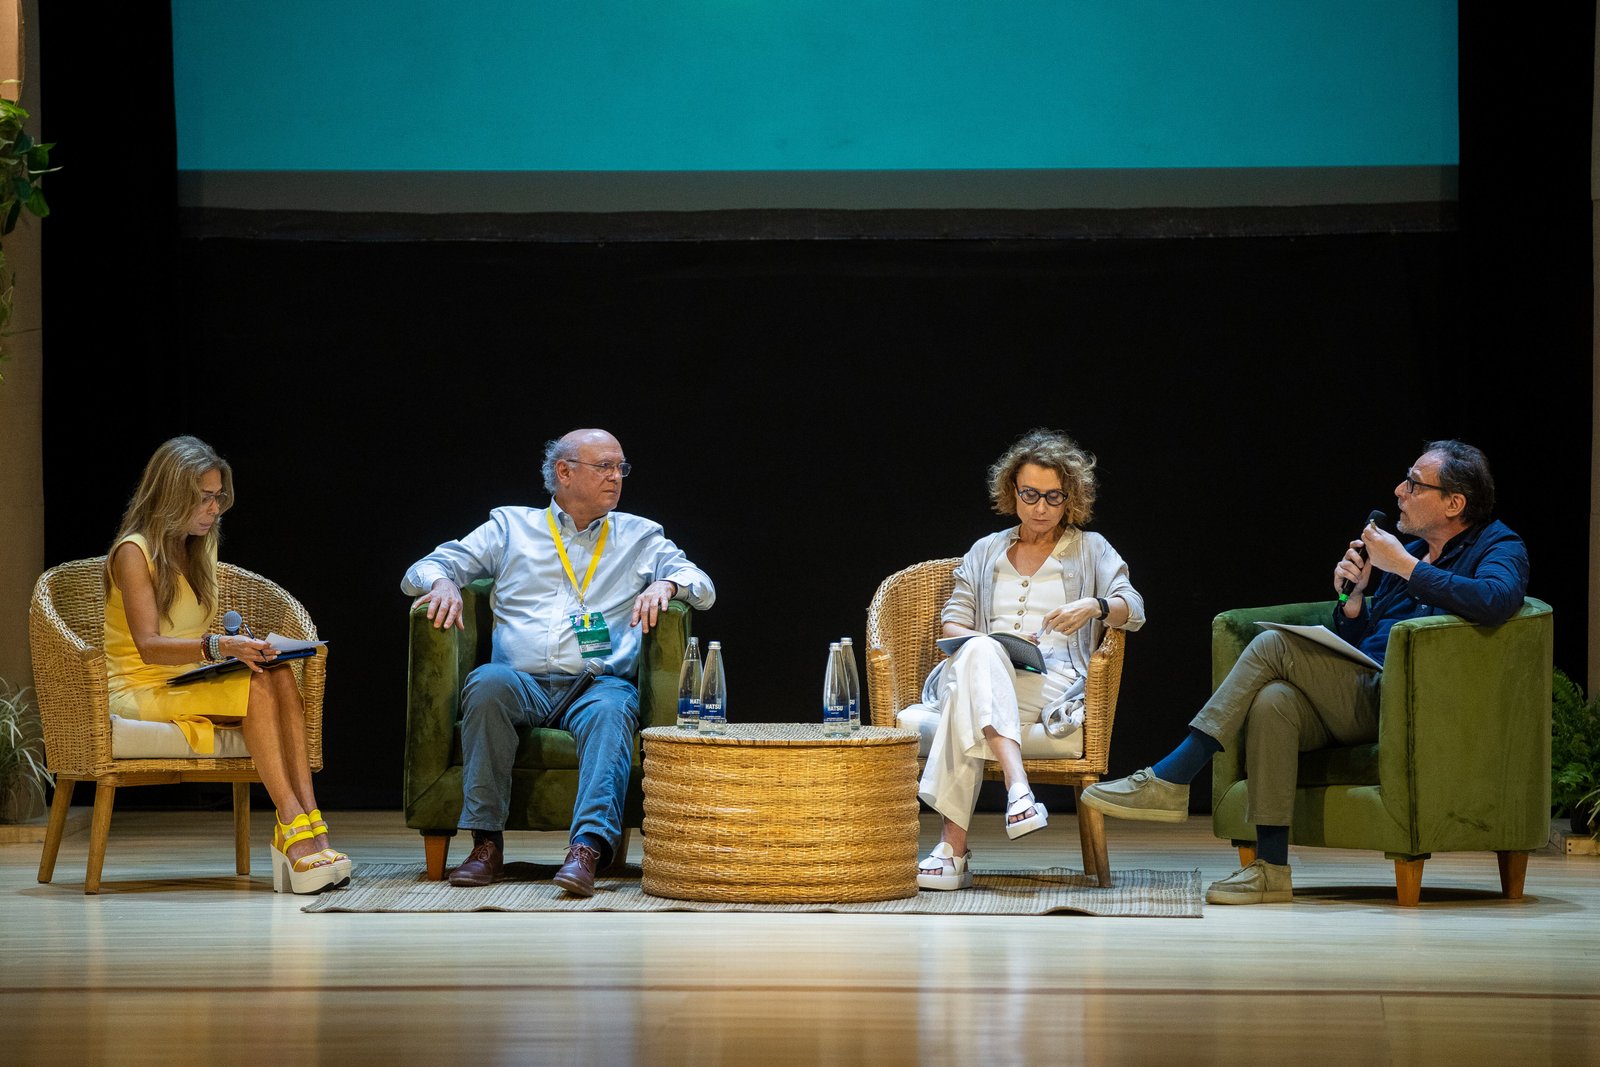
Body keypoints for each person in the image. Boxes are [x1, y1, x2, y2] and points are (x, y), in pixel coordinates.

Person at [1082, 439, 1530, 904]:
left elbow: (1495, 600)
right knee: (1275, 701)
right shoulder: (1416, 550)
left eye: (1415, 484)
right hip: (1365, 691)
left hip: (1416, 704)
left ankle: (1174, 775)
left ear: (1455, 503)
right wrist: (1353, 603)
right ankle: (1270, 869)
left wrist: (1404, 566)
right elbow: (1369, 636)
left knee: (1272, 644)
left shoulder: (1498, 545)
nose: (1400, 490)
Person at [403, 428, 715, 896]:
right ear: (564, 472)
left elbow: (702, 586)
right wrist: (443, 582)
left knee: (613, 709)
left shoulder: (639, 535)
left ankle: (586, 850)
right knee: (485, 685)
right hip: (520, 681)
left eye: (621, 467)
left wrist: (666, 584)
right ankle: (485, 844)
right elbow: (423, 568)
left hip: (596, 684)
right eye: (604, 466)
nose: (616, 477)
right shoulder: (510, 527)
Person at [105, 436, 349, 895]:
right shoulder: (134, 553)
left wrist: (246, 646)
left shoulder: (200, 545)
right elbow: (150, 647)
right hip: (139, 687)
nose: (214, 509)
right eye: (204, 498)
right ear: (171, 495)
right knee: (254, 687)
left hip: (184, 680)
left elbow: (199, 636)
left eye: (218, 497)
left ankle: (314, 828)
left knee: (277, 671)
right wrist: (220, 646)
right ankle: (292, 830)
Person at [912, 429, 1146, 891]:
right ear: (1012, 492)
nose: (1041, 507)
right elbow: (952, 625)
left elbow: (1134, 608)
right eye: (1030, 495)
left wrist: (1094, 606)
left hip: (1052, 680)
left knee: (965, 697)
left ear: (1070, 498)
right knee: (981, 652)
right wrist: (992, 644)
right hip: (982, 670)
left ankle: (952, 851)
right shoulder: (986, 551)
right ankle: (1018, 788)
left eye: (1053, 497)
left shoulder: (1091, 548)